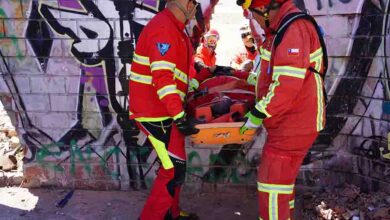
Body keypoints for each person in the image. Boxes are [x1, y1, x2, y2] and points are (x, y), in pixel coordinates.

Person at [237, 0, 327, 219]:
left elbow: (286, 85)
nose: (254, 22)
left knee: (272, 186)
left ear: (266, 9)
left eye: (254, 14)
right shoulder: (282, 28)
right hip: (289, 123)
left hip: (293, 125)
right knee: (282, 185)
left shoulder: (292, 29)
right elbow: (274, 73)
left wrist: (258, 114)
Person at [128, 0, 200, 219]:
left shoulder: (175, 29)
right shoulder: (164, 29)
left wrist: (198, 84)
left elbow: (181, 73)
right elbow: (163, 79)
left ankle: (172, 213)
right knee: (172, 170)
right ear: (186, 4)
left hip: (166, 112)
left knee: (177, 166)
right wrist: (179, 116)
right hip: (155, 114)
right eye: (194, 2)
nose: (196, 8)